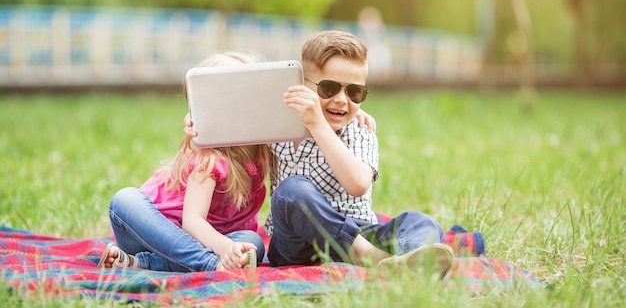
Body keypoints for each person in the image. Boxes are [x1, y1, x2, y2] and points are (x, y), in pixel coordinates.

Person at [186, 30, 454, 278]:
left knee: (419, 222)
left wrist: (320, 125)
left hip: (358, 231)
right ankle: (375, 259)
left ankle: (415, 263)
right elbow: (235, 119)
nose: (341, 100)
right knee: (292, 191)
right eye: (329, 88)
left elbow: (358, 184)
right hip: (295, 247)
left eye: (354, 92)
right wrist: (196, 122)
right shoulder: (279, 121)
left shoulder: (358, 130)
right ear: (302, 84)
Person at [98, 52, 269, 272]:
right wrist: (225, 248)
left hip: (208, 241)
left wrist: (230, 248)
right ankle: (209, 264)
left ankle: (142, 263)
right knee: (125, 199)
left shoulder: (261, 148)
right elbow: (192, 221)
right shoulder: (209, 158)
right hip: (153, 236)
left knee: (251, 242)